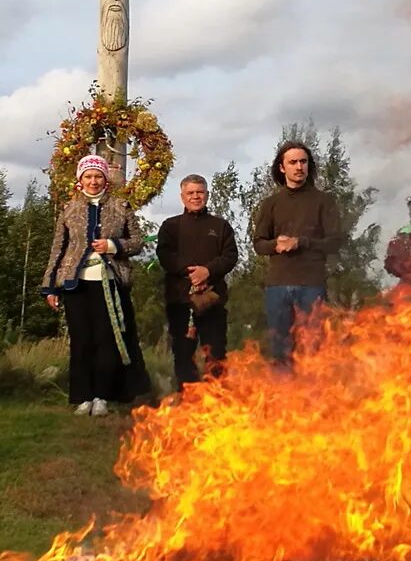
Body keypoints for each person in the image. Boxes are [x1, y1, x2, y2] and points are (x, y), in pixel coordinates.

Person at [41, 155, 151, 416]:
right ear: (80, 181)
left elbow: (137, 242)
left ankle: (102, 395)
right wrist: (50, 286)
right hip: (76, 284)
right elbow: (58, 248)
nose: (93, 181)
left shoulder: (120, 206)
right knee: (81, 340)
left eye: (98, 176)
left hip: (109, 282)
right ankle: (83, 396)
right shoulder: (69, 209)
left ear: (105, 180)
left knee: (106, 340)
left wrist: (113, 246)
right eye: (88, 176)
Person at [253, 140, 343, 366]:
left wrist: (300, 242)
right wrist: (276, 244)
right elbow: (258, 244)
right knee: (280, 350)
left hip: (311, 284)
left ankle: (312, 397)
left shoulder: (324, 201)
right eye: (292, 162)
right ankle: (284, 398)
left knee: (312, 348)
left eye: (303, 161)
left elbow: (336, 242)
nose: (299, 166)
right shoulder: (271, 204)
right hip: (278, 285)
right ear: (282, 168)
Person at [156, 174, 238, 386]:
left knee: (216, 353)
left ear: (207, 195)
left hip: (212, 300)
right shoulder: (170, 226)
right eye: (190, 193)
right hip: (180, 302)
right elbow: (165, 255)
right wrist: (190, 272)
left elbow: (230, 256)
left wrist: (207, 271)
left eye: (200, 192)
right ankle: (188, 402)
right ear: (182, 197)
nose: (195, 197)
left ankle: (218, 400)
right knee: (183, 355)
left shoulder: (220, 226)